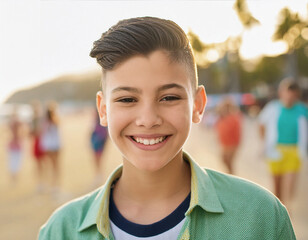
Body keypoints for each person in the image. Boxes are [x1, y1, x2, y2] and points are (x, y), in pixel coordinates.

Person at [38, 17, 295, 239]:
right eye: (127, 99)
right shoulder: (60, 231)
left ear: (198, 105)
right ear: (103, 110)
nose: (148, 119)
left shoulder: (260, 217)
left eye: (169, 97)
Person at [258, 78, 308, 210]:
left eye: (293, 94)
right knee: (277, 188)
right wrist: (264, 142)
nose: (290, 97)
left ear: (297, 95)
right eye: (287, 93)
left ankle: (287, 210)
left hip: (294, 151)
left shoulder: (302, 110)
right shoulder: (273, 107)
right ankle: (279, 212)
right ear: (281, 92)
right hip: (275, 150)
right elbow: (261, 124)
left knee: (289, 188)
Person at [215, 98, 242, 174]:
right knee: (224, 159)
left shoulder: (234, 117)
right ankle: (230, 174)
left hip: (232, 143)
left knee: (228, 160)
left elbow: (236, 131)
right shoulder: (222, 118)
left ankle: (231, 175)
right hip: (225, 143)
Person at [41, 102, 61, 194]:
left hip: (48, 146)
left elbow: (43, 135)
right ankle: (55, 184)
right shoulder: (55, 121)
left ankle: (50, 184)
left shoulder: (45, 123)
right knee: (55, 166)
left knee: (49, 165)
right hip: (55, 145)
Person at [30, 101, 46, 192]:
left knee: (44, 162)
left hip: (42, 142)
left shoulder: (42, 119)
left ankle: (44, 181)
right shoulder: (33, 120)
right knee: (38, 163)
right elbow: (31, 133)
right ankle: (40, 182)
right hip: (36, 142)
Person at [90, 110, 108, 185]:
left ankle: (99, 175)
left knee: (99, 160)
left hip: (99, 144)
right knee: (96, 160)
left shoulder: (101, 123)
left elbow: (105, 135)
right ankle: (98, 174)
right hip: (95, 143)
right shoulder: (94, 122)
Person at [7, 107, 23, 182]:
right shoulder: (17, 122)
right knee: (16, 160)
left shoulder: (11, 122)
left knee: (12, 160)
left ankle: (13, 175)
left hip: (12, 143)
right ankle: (14, 175)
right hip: (16, 143)